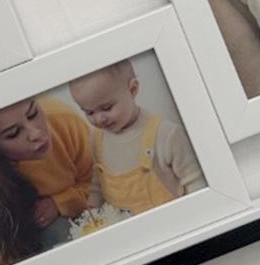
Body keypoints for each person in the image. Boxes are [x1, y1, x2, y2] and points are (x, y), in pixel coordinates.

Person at [0, 96, 94, 265]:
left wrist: (60, 203)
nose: (36, 134)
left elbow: (103, 184)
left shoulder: (63, 120)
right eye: (13, 134)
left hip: (75, 225)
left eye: (33, 114)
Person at [69, 60, 205, 214]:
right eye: (89, 112)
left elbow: (196, 183)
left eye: (107, 108)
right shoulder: (96, 138)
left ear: (132, 89)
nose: (99, 119)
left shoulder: (166, 134)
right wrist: (92, 210)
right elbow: (98, 182)